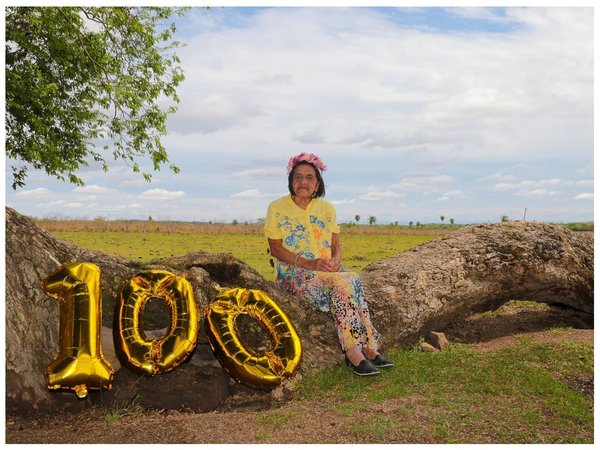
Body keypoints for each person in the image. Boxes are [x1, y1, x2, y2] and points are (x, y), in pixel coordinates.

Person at [264, 152, 393, 376]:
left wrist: (336, 260)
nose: (303, 182)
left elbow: (336, 244)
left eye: (309, 177)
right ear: (290, 181)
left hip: (326, 272)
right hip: (295, 274)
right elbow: (275, 248)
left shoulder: (327, 209)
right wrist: (309, 263)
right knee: (341, 283)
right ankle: (353, 352)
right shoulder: (276, 208)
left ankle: (367, 347)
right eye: (298, 177)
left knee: (352, 278)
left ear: (317, 183)